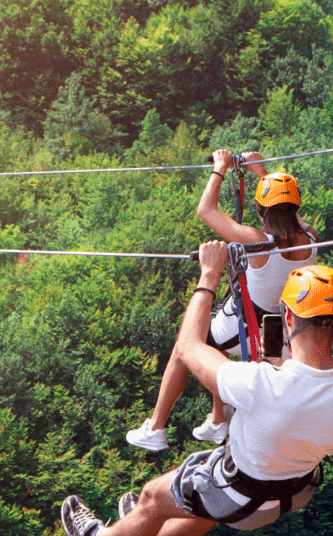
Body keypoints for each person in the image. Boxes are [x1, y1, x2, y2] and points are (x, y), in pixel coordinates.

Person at [62, 242, 333, 536]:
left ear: (288, 315)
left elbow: (188, 347)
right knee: (203, 506)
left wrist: (209, 275)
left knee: (152, 498)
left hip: (237, 495)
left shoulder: (258, 384)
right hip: (292, 494)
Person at [126, 149, 320, 451]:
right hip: (278, 325)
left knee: (185, 346)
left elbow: (206, 210)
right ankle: (218, 421)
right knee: (218, 342)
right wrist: (261, 172)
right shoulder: (312, 238)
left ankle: (155, 427)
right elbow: (286, 211)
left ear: (260, 209)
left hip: (248, 321)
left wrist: (219, 168)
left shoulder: (256, 241)